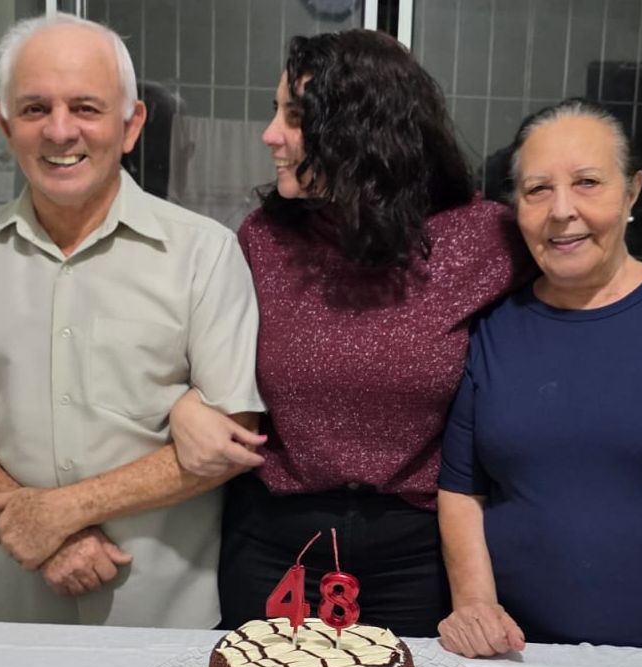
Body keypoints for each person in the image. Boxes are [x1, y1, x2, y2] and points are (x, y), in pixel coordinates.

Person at [169, 29, 532, 636]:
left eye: (294, 116)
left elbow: (590, 288)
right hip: (274, 539)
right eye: (275, 111)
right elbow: (195, 349)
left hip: (414, 549)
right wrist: (181, 402)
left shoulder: (482, 239)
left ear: (363, 129)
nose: (269, 134)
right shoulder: (263, 239)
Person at [0, 14, 265, 627]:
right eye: (36, 109)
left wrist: (63, 511)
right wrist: (44, 531)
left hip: (163, 621)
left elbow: (231, 439)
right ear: (6, 125)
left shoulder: (204, 253)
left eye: (86, 107)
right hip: (6, 616)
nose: (61, 131)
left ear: (131, 124)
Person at [437, 98, 642, 655]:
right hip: (520, 651)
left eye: (588, 182)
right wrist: (474, 604)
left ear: (632, 190)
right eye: (537, 189)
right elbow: (461, 489)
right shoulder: (492, 331)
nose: (561, 210)